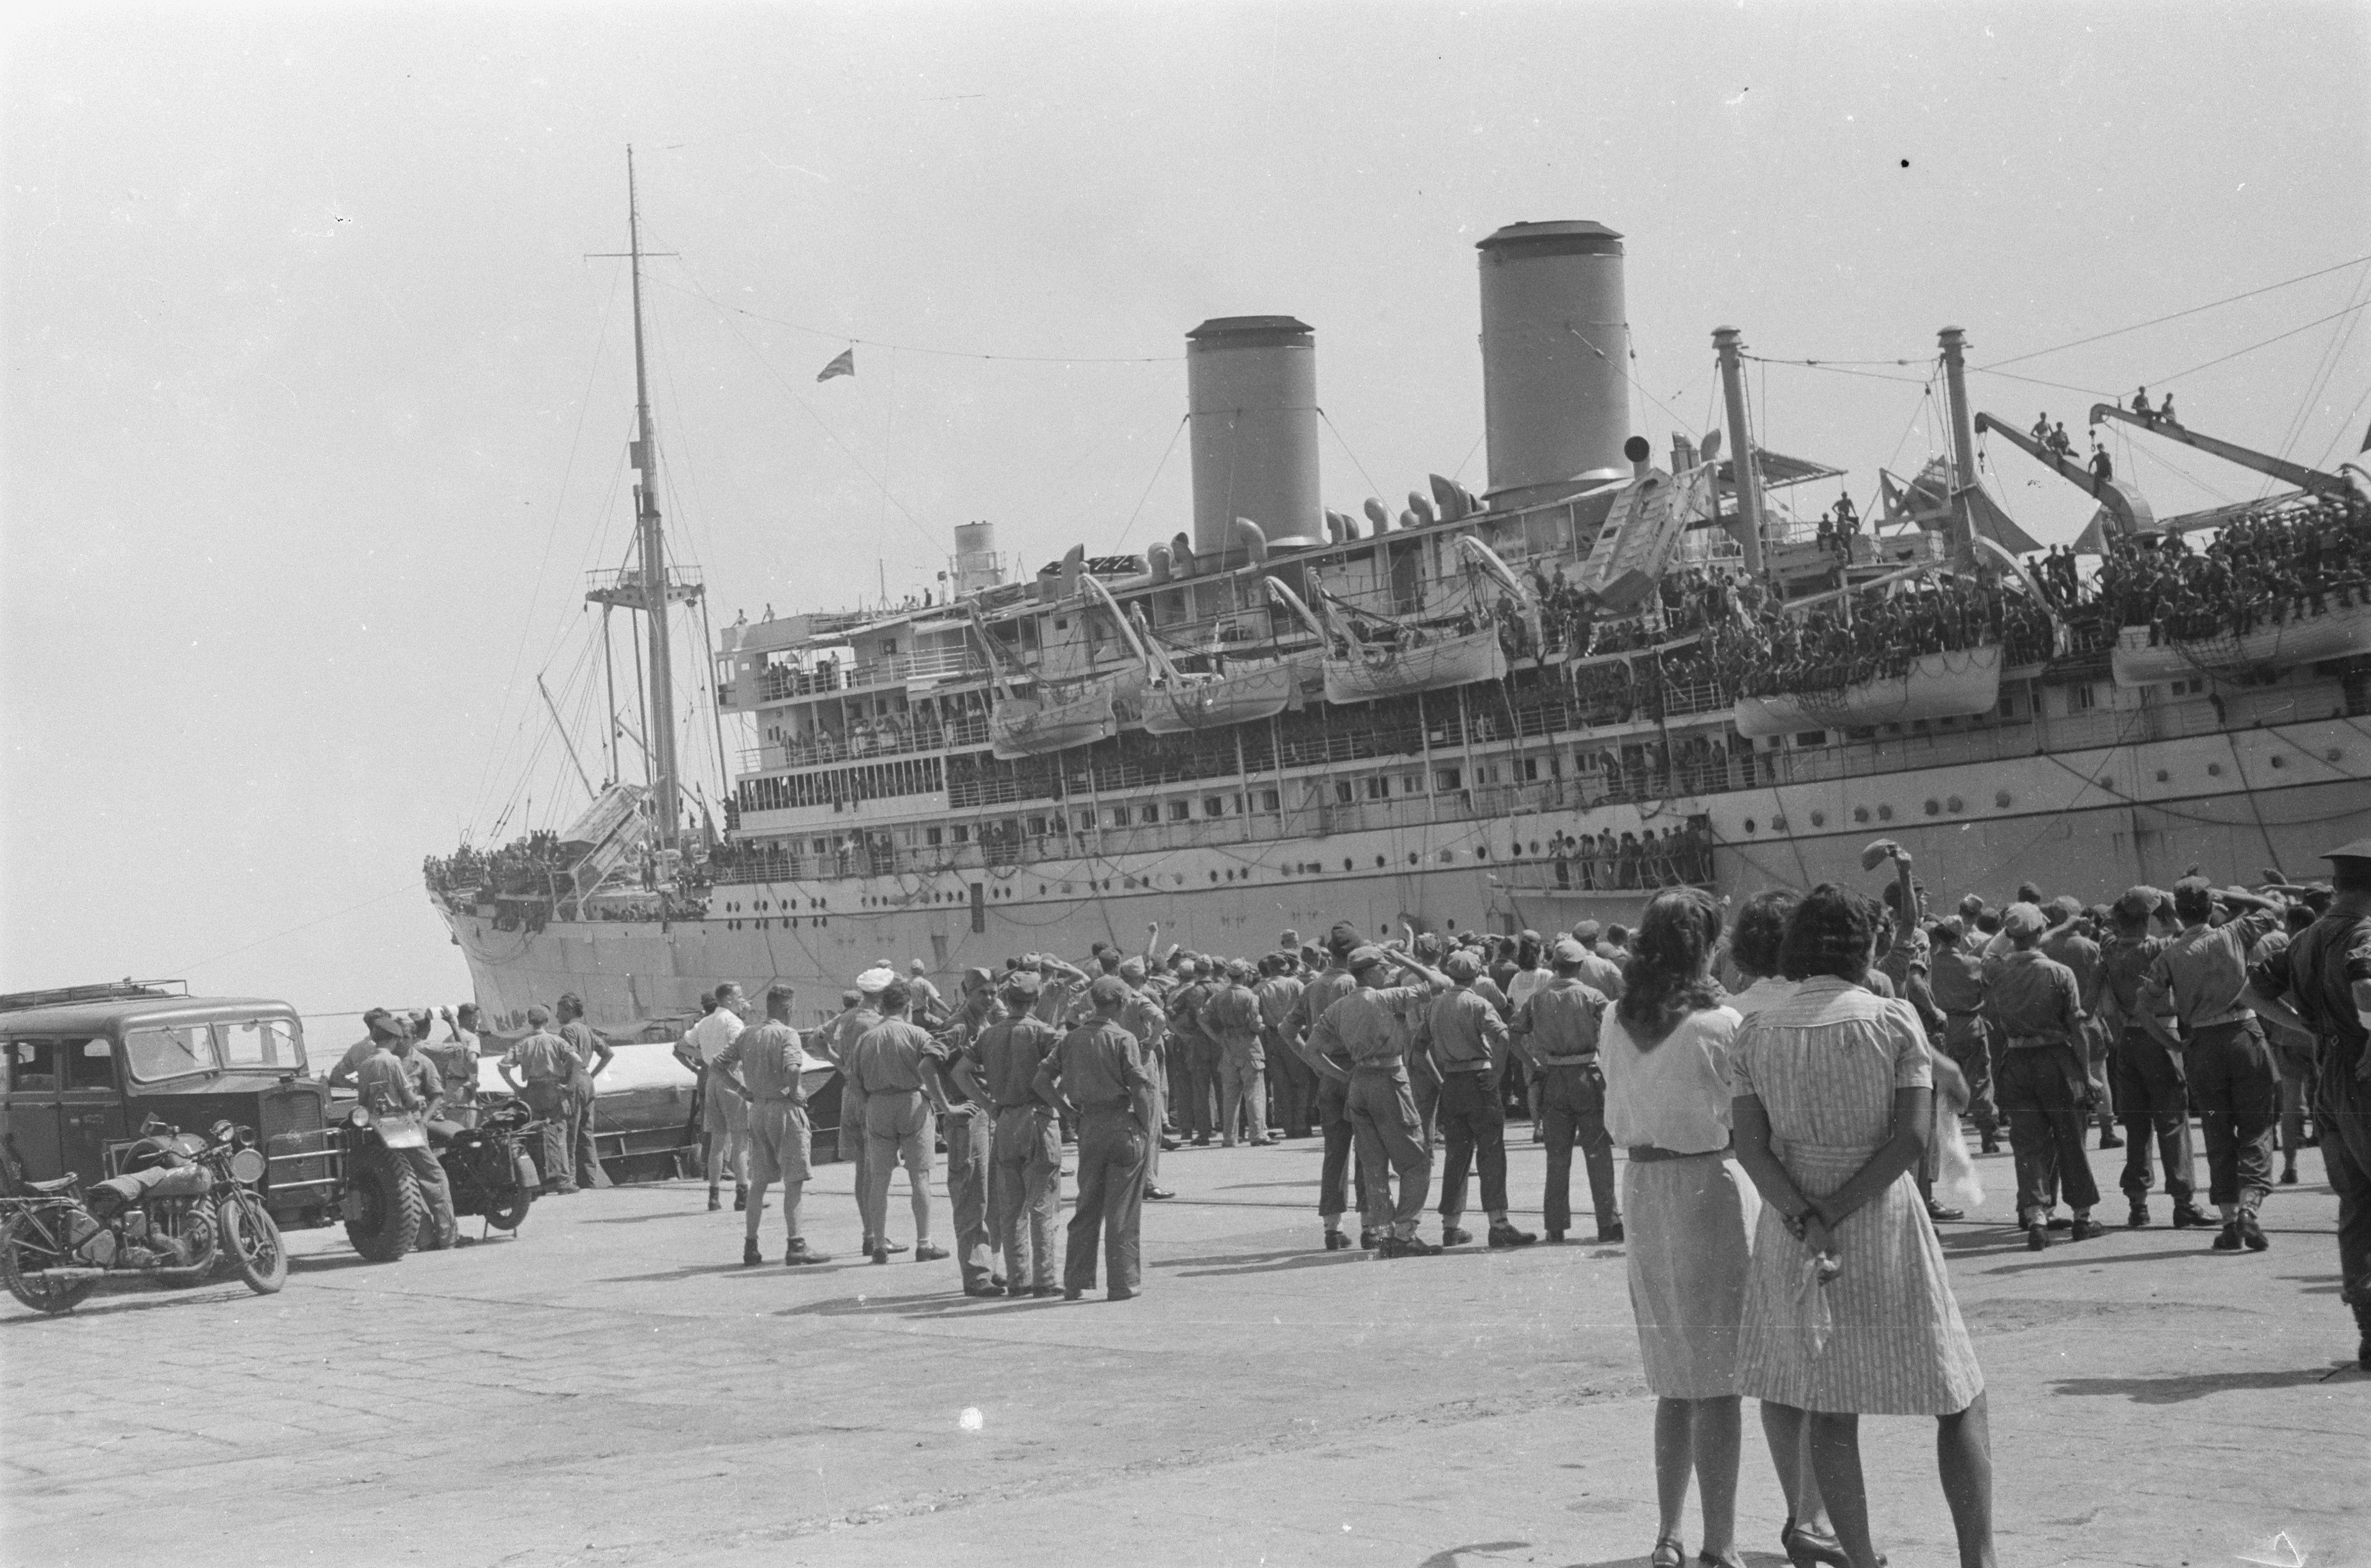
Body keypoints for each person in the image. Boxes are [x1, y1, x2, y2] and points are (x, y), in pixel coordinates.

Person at [1732, 885, 1994, 1568]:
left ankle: (1862, 1556)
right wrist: (1840, 1209)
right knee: (1956, 1391)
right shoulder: (1891, 1018)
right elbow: (1910, 1139)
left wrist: (1805, 1217)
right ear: (1862, 947)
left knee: (1829, 1401)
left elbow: (1750, 1147)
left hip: (1794, 1223)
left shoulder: (1756, 1030)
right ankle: (1979, 1557)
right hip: (1879, 1214)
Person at [1602, 889, 1753, 1568]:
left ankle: (1668, 1535)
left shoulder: (1613, 1017)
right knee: (1718, 1379)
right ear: (1707, 947)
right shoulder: (1722, 1022)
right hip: (1706, 1186)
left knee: (1672, 1376)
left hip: (1641, 1187)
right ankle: (1720, 1542)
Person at [2243, 838, 2371, 1371]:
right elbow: (2365, 995)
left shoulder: (2303, 938)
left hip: (2331, 1075)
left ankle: (2368, 1329)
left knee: (2356, 1203)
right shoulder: (2363, 933)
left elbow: (2250, 994)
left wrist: (2314, 1029)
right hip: (2365, 1072)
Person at [2137, 878, 2285, 1253]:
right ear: (2210, 906)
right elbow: (2275, 909)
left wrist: (2172, 1042)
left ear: (2176, 913)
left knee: (2217, 1132)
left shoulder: (2169, 955)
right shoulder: (2236, 932)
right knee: (2256, 1126)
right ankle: (2250, 1209)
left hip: (2201, 1045)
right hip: (2243, 1035)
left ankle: (2229, 1221)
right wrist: (2233, 894)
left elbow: (2143, 1009)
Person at [1306, 944, 1447, 1257]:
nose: (1387, 972)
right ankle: (1405, 1234)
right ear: (1370, 972)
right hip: (1389, 1080)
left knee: (1374, 1166)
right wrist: (1404, 958)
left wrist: (1344, 1077)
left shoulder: (1339, 1008)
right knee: (1416, 1161)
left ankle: (1382, 1234)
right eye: (1383, 967)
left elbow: (1311, 1051)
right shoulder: (1387, 998)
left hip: (1359, 1083)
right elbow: (1440, 983)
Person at [1983, 904, 2101, 1249]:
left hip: (2017, 1061)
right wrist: (2087, 1074)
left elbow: (1995, 949)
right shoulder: (2060, 973)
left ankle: (2036, 1216)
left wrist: (2020, 931)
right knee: (2071, 1141)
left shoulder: (1997, 972)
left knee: (2028, 1144)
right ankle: (2082, 1217)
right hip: (2056, 1059)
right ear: (2038, 934)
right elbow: (2077, 1030)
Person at [1032, 976, 1157, 1301]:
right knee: (1122, 1209)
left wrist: (1067, 1112)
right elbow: (1139, 1089)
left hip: (1089, 1126)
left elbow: (1041, 1080)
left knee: (1087, 1206)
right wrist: (1145, 1126)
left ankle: (1075, 1282)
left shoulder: (1071, 1039)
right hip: (1121, 1125)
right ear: (1118, 1003)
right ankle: (1123, 1282)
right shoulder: (1123, 1038)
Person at [2097, 887, 2210, 1230]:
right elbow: (2183, 933)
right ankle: (2183, 1200)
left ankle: (2138, 1202)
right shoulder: (2158, 948)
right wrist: (2169, 909)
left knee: (2137, 1126)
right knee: (2172, 1123)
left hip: (2127, 1039)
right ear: (2147, 919)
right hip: (2161, 1035)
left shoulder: (2110, 951)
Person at [711, 984, 828, 1267]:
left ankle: (751, 1247)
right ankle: (796, 1245)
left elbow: (717, 1066)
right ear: (788, 1008)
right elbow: (793, 1068)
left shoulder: (747, 1033)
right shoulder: (787, 1034)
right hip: (784, 1111)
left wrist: (741, 1091)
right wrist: (795, 1091)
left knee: (759, 1182)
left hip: (758, 1111)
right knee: (794, 1181)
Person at [1515, 937, 1622, 1244]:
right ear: (1579, 965)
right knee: (1598, 1152)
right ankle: (1607, 1222)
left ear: (1555, 966)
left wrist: (1534, 1063)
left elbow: (1514, 1033)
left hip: (1553, 1077)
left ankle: (1555, 1225)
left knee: (1557, 1156)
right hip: (1587, 1076)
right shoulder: (1593, 996)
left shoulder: (1537, 999)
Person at [1426, 950, 1532, 1249]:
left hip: (1452, 1083)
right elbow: (1504, 1037)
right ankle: (1498, 1224)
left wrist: (1439, 1079)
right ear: (1475, 976)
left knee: (1456, 1157)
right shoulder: (1478, 1003)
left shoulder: (1434, 1005)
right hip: (1479, 1082)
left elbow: (1418, 1045)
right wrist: (1497, 1072)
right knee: (1491, 1153)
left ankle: (1451, 1225)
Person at [847, 978, 954, 1266]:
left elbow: (853, 1079)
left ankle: (879, 1244)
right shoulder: (917, 1033)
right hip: (911, 1102)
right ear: (907, 1006)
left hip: (877, 1105)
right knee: (919, 1175)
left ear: (882, 1006)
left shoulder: (865, 1038)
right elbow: (934, 1071)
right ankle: (924, 1243)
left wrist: (869, 1104)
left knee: (879, 1179)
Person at [976, 971, 1065, 1297]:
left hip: (1005, 1120)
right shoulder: (1044, 1033)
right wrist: (1063, 1106)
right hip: (1038, 1118)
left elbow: (959, 1071)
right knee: (1042, 1203)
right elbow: (1065, 1069)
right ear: (1035, 1000)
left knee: (1011, 1208)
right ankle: (1044, 1278)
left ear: (1006, 1000)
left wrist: (987, 1103)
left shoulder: (988, 1035)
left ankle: (1018, 1279)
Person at [1285, 926, 1368, 1249]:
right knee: (1368, 1151)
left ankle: (1333, 1228)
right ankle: (1370, 1224)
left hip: (1328, 1078)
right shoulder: (1352, 984)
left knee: (1335, 1153)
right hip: (1356, 1071)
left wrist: (1315, 1063)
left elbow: (1287, 1030)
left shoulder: (1312, 986)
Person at [931, 967, 1003, 1295]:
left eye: (993, 993)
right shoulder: (958, 1026)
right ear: (965, 993)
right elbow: (926, 1066)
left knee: (992, 1197)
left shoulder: (984, 1023)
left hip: (985, 1116)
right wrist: (947, 1107)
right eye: (982, 994)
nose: (989, 999)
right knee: (972, 1196)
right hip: (968, 1118)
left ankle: (990, 1267)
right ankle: (976, 1275)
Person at [356, 1019, 458, 1249]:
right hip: (403, 1125)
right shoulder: (392, 1061)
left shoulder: (365, 1064)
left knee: (404, 1181)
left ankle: (424, 1238)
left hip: (378, 1127)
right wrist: (417, 1102)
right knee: (435, 1177)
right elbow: (408, 1096)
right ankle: (448, 1236)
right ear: (393, 1039)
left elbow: (362, 1101)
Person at [1926, 920, 2001, 1155]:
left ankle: (1947, 1140)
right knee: (1980, 1081)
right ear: (1958, 939)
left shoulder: (1930, 966)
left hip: (1942, 1029)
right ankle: (1988, 1135)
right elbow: (1988, 991)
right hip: (1970, 1026)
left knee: (1943, 1085)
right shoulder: (1973, 964)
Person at [498, 1004, 578, 1195]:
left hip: (532, 1092)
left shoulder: (522, 1044)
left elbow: (503, 1066)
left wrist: (516, 1088)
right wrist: (571, 1086)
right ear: (547, 1021)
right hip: (553, 1089)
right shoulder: (556, 1041)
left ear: (529, 1021)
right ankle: (564, 1181)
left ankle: (538, 1183)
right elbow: (578, 1061)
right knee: (559, 1134)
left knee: (533, 1135)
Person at [683, 987, 750, 1212]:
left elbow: (683, 1045)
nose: (743, 1001)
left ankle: (714, 1197)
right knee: (740, 1139)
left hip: (712, 1079)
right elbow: (740, 1047)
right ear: (729, 999)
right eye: (740, 997)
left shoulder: (706, 1022)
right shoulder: (733, 1022)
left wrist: (706, 1057)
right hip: (731, 1076)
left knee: (717, 1142)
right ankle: (742, 1195)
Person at [1202, 962, 1272, 1147]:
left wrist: (1217, 1037)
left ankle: (1229, 1137)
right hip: (1249, 1047)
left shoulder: (1218, 997)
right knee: (1254, 1092)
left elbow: (1203, 1018)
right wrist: (1262, 1026)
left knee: (1230, 1096)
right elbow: (1254, 1025)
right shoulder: (1250, 996)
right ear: (1245, 975)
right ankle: (1257, 1134)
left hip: (1229, 1047)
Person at [553, 994, 614, 1191]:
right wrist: (592, 1075)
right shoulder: (586, 1029)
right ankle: (589, 1180)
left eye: (560, 1011)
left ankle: (570, 1180)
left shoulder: (567, 1030)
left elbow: (572, 1059)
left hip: (573, 1081)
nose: (556, 1015)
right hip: (587, 1081)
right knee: (586, 1133)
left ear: (569, 1010)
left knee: (570, 1132)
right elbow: (608, 1053)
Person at [1256, 955, 1313, 1139]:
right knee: (1301, 1081)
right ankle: (1301, 1125)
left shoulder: (1259, 988)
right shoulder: (1295, 984)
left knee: (1281, 1085)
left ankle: (1289, 1127)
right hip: (1294, 1033)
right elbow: (1307, 1006)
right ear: (1284, 968)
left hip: (1271, 1036)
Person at [423, 1005, 482, 1129]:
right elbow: (472, 1060)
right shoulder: (472, 1038)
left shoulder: (449, 1038)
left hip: (450, 1089)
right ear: (472, 1019)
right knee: (467, 1133)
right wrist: (473, 1081)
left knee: (453, 1131)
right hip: (464, 1089)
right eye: (478, 1018)